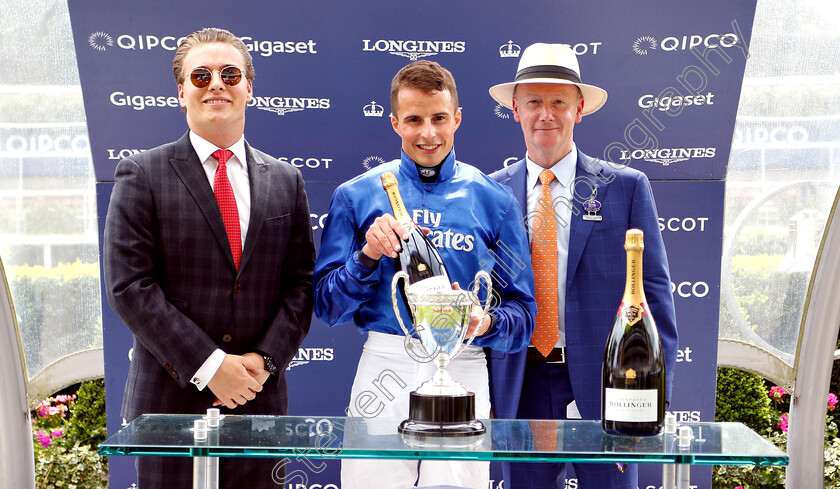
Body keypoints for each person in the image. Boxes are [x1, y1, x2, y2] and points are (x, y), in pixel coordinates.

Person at [103, 27, 315, 488]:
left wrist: (264, 360)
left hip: (260, 406)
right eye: (201, 76)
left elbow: (301, 285)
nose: (215, 83)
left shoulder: (286, 179)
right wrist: (212, 365)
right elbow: (130, 287)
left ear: (249, 88)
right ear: (182, 93)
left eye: (229, 73)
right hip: (171, 410)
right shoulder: (142, 173)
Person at [313, 60, 536, 488]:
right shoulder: (356, 195)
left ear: (457, 118)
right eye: (414, 120)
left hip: (463, 363)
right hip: (385, 363)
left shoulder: (495, 201)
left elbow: (523, 317)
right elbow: (327, 306)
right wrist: (366, 258)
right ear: (395, 122)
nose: (427, 133)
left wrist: (483, 322)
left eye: (438, 119)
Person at [487, 43, 679, 488]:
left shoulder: (626, 187)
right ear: (515, 110)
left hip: (608, 387)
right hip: (522, 382)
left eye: (559, 101)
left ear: (580, 108)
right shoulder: (490, 193)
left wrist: (653, 403)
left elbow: (656, 297)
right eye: (534, 101)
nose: (546, 114)